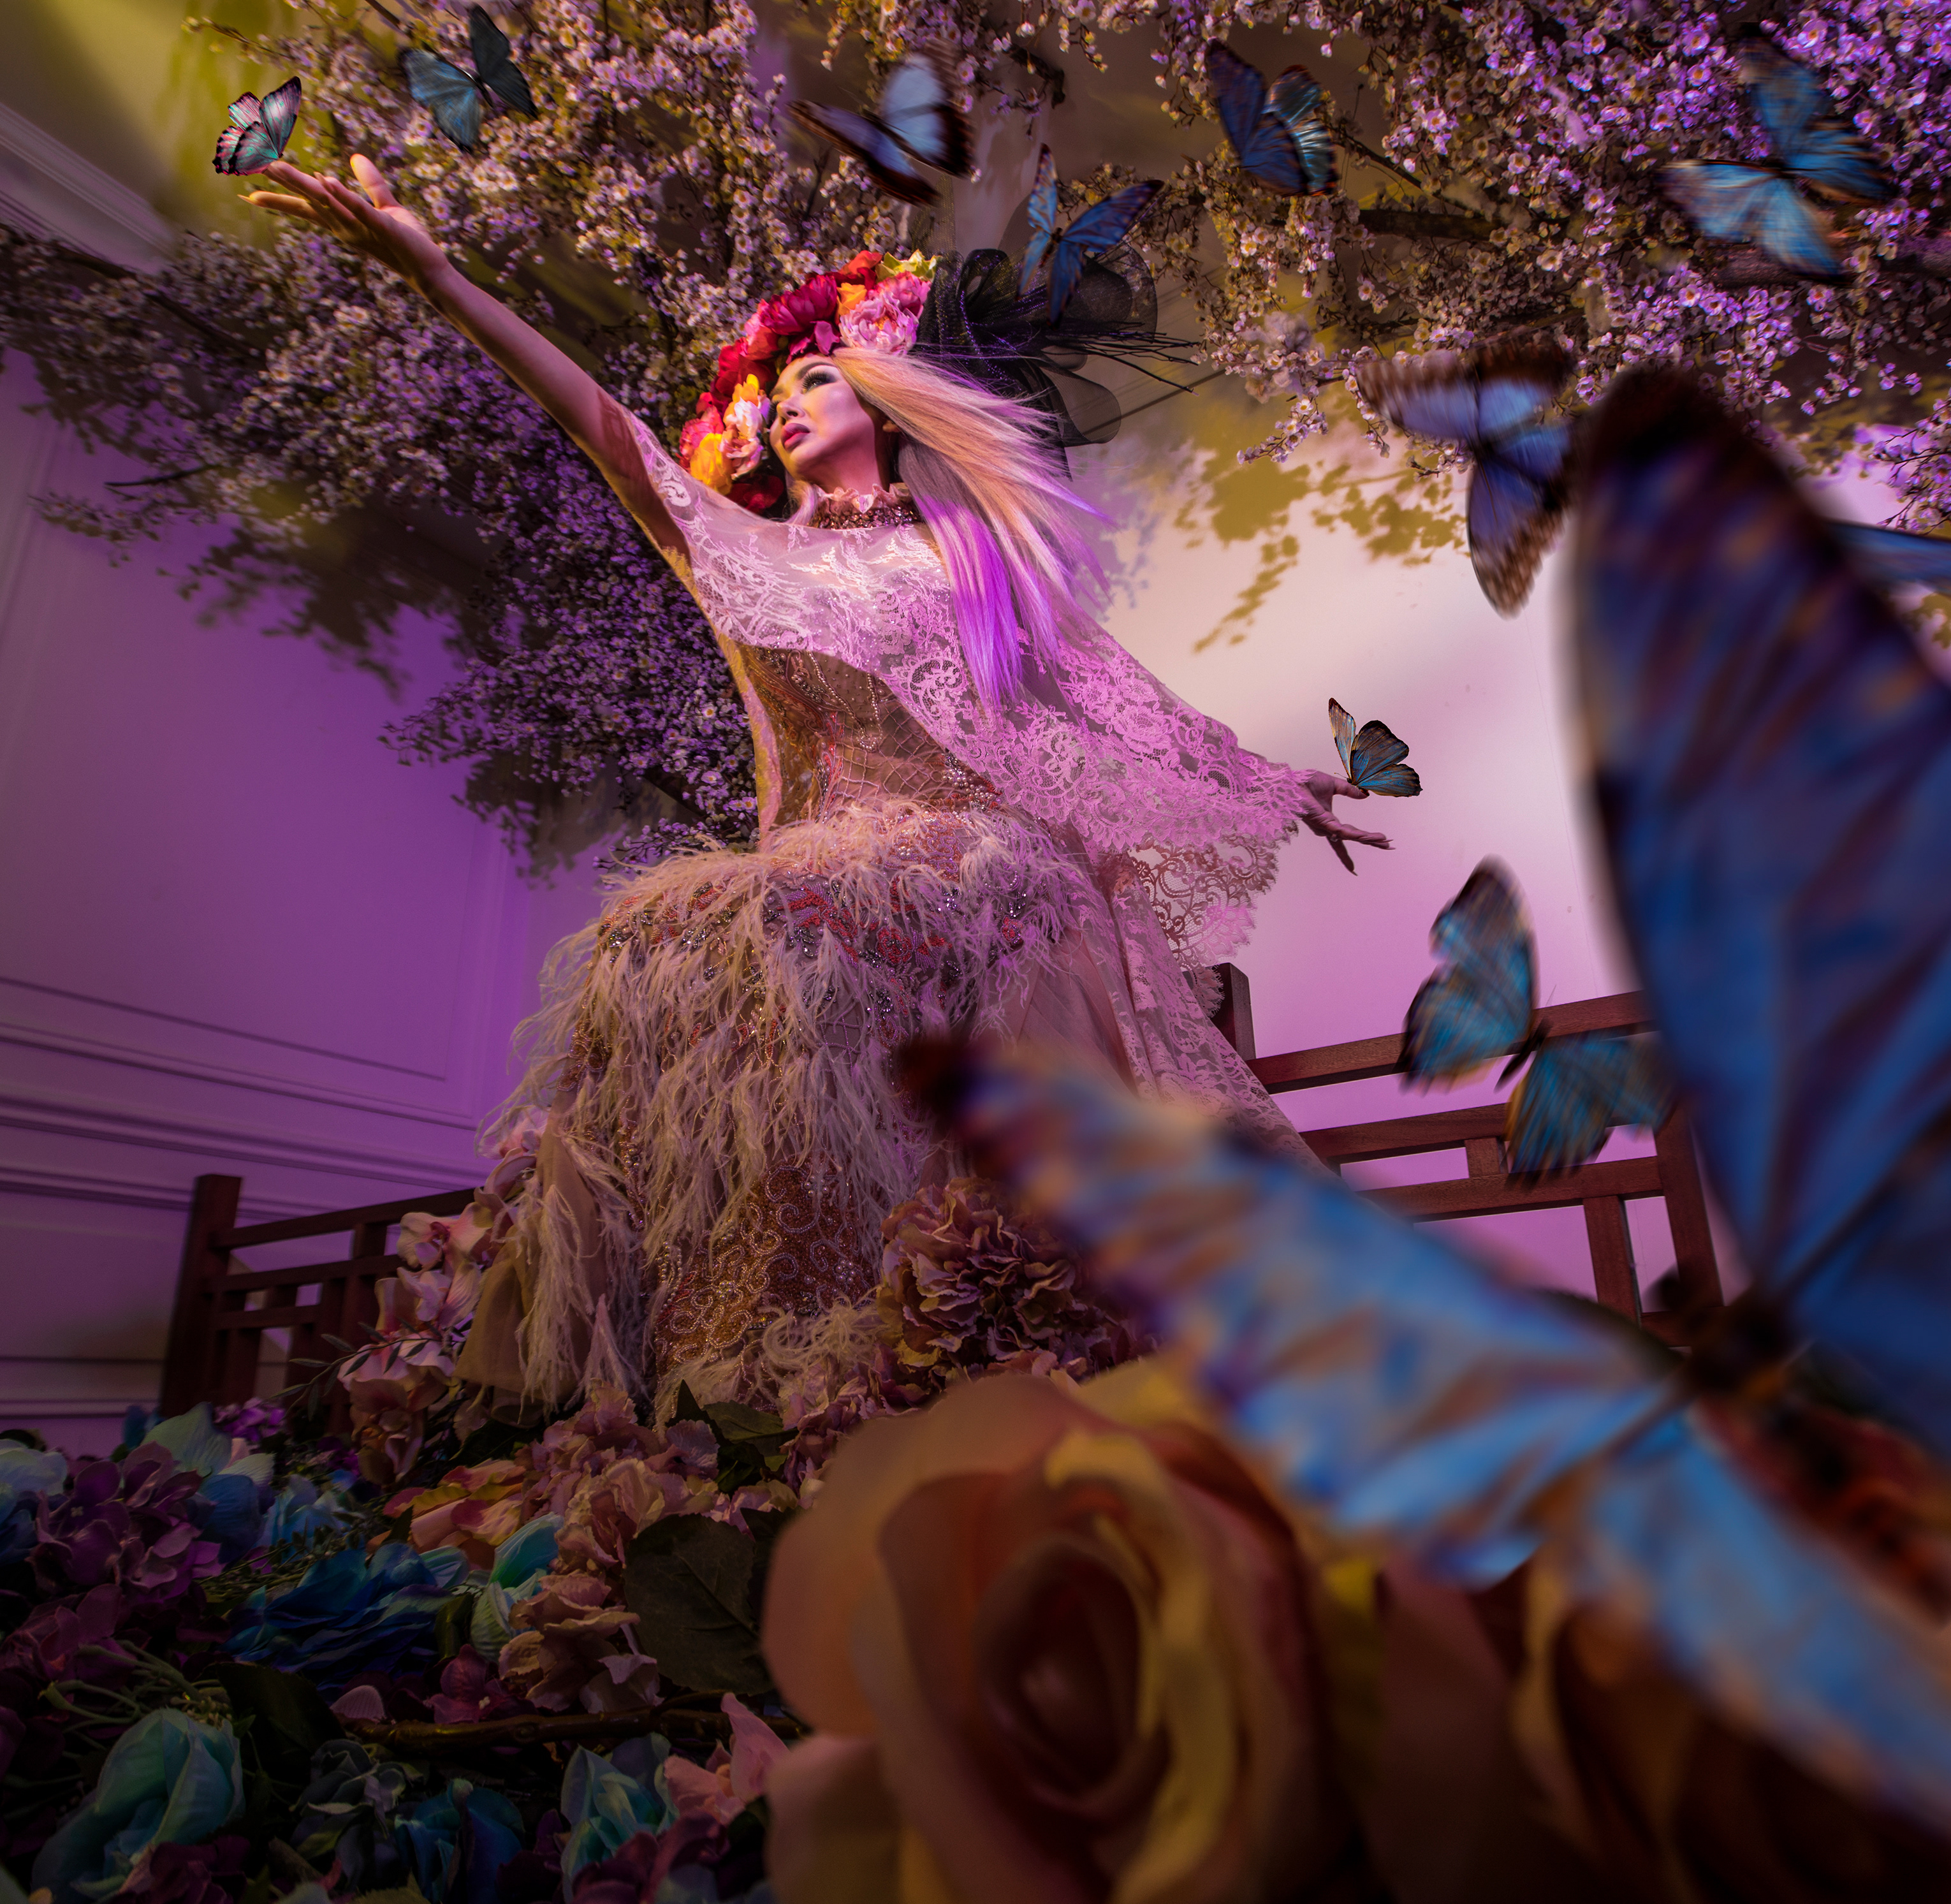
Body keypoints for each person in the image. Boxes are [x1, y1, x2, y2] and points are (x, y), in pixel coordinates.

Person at [246, 156, 1389, 1414]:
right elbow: (604, 429)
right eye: (771, 396)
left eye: (814, 379)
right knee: (659, 931)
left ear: (885, 399)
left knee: (836, 911)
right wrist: (437, 275)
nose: (782, 406)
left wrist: (1265, 781)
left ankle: (920, 1329)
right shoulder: (753, 558)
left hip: (984, 866)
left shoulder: (968, 550)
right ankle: (728, 1360)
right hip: (831, 869)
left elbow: (1104, 696)